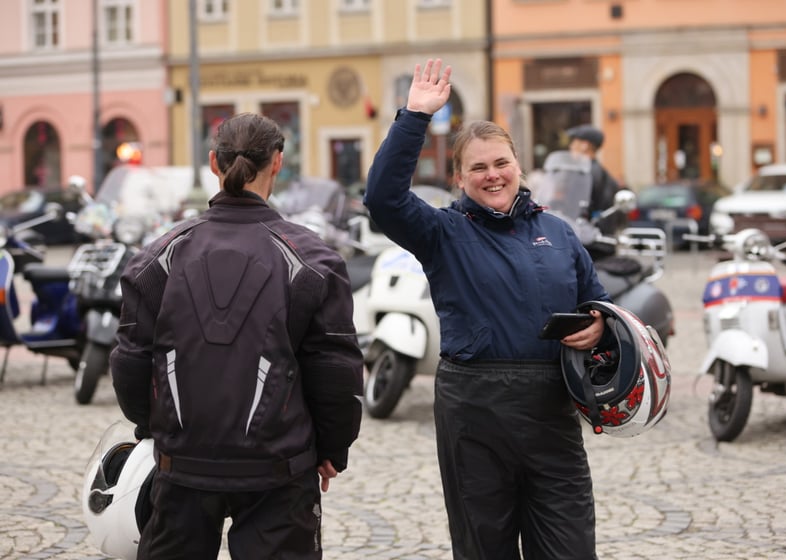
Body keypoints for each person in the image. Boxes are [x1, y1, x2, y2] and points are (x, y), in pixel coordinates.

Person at [364, 58, 610, 560]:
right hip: (474, 416)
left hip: (550, 415)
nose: (492, 176)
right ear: (460, 177)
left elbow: (599, 302)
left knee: (570, 548)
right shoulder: (442, 233)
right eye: (478, 167)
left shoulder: (559, 233)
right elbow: (383, 199)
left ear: (519, 164)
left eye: (501, 163)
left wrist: (600, 325)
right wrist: (414, 117)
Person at [109, 112, 364, 560]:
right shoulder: (313, 260)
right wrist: (332, 449)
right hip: (278, 470)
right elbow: (336, 373)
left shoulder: (158, 256)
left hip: (182, 468)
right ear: (278, 162)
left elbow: (130, 361)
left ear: (213, 162)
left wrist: (154, 430)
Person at [567, 124, 624, 234]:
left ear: (585, 145)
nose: (571, 146)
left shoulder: (587, 173)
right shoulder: (597, 171)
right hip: (590, 234)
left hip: (587, 237)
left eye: (574, 142)